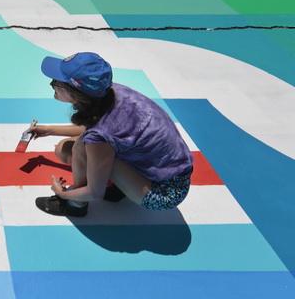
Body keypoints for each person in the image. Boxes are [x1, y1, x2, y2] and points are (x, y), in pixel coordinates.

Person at [27, 52, 193, 217]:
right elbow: (102, 130)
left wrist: (63, 193)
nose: (52, 84)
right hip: (161, 171)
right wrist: (49, 130)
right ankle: (120, 187)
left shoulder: (99, 136)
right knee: (65, 149)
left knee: (80, 146)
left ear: (76, 94)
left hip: (164, 193)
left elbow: (95, 192)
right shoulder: (108, 92)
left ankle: (76, 205)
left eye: (57, 83)